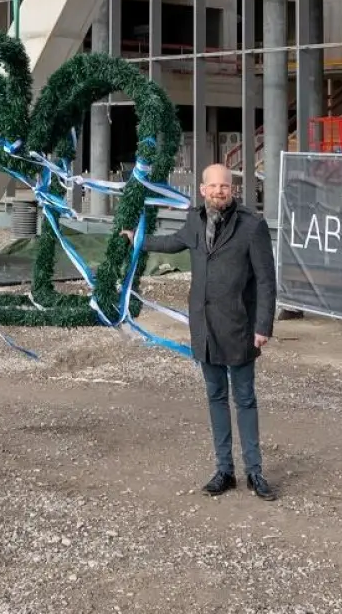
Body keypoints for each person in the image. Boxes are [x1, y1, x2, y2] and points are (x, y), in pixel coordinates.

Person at [126, 163, 278, 499]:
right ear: (202, 189)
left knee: (245, 399)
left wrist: (262, 326)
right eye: (214, 186)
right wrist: (138, 239)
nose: (220, 191)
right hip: (205, 328)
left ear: (233, 190)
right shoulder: (195, 220)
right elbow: (173, 243)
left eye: (226, 186)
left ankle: (255, 472)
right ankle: (225, 470)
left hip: (239, 327)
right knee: (215, 397)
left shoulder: (252, 226)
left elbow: (267, 281)